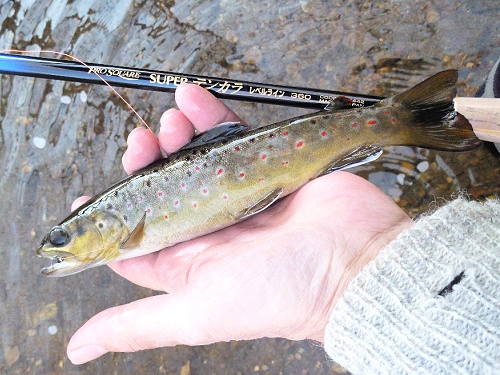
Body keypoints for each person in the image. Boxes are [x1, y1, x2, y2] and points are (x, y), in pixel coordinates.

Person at [67, 83, 500, 374]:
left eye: (63, 237)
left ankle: (400, 119)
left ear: (98, 225)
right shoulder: (123, 232)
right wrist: (345, 277)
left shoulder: (128, 238)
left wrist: (348, 279)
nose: (59, 247)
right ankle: (404, 118)